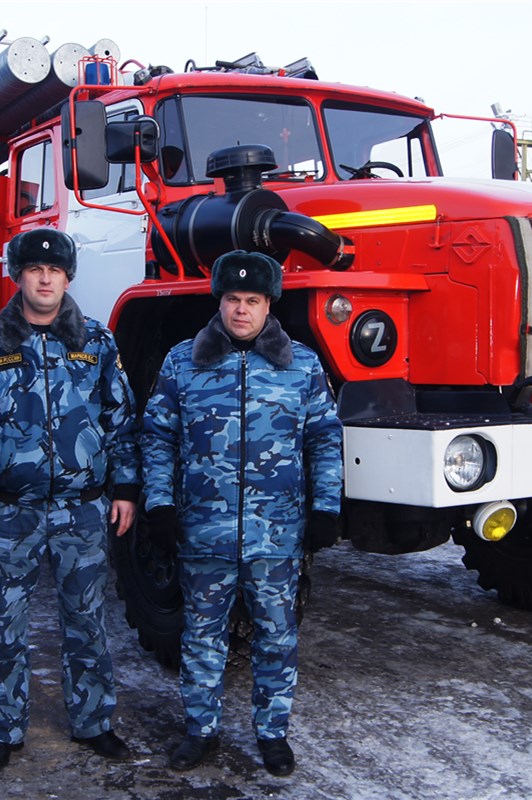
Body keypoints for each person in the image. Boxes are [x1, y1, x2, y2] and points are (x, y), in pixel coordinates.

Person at [0, 227, 139, 773]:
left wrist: (125, 490)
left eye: (55, 270)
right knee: (5, 624)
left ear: (67, 277)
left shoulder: (96, 342)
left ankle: (94, 722)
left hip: (82, 507)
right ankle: (5, 730)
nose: (45, 277)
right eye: (34, 269)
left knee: (87, 619)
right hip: (11, 510)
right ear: (19, 276)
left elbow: (121, 421)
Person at [141, 250, 343, 777]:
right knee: (202, 636)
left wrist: (326, 508)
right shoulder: (183, 361)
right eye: (232, 299)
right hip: (202, 532)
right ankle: (199, 731)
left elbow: (324, 439)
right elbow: (158, 437)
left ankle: (272, 734)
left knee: (277, 636)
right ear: (220, 301)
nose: (241, 310)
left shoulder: (300, 365)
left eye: (252, 300)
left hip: (276, 536)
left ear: (269, 304)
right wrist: (159, 504)